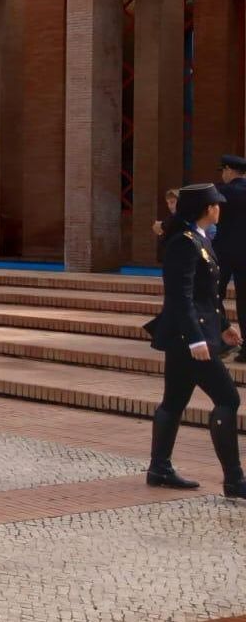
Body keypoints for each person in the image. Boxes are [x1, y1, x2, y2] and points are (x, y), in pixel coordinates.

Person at [145, 183, 243, 499]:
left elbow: (207, 295)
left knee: (173, 402)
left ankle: (159, 468)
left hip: (190, 335)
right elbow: (180, 297)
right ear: (206, 208)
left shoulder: (199, 240)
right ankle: (234, 480)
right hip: (189, 338)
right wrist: (196, 339)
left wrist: (225, 325)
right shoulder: (183, 244)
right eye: (216, 204)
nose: (220, 208)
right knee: (229, 399)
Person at [215, 155, 246, 363]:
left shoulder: (222, 192)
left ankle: (223, 337)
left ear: (228, 170)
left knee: (212, 295)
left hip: (224, 253)